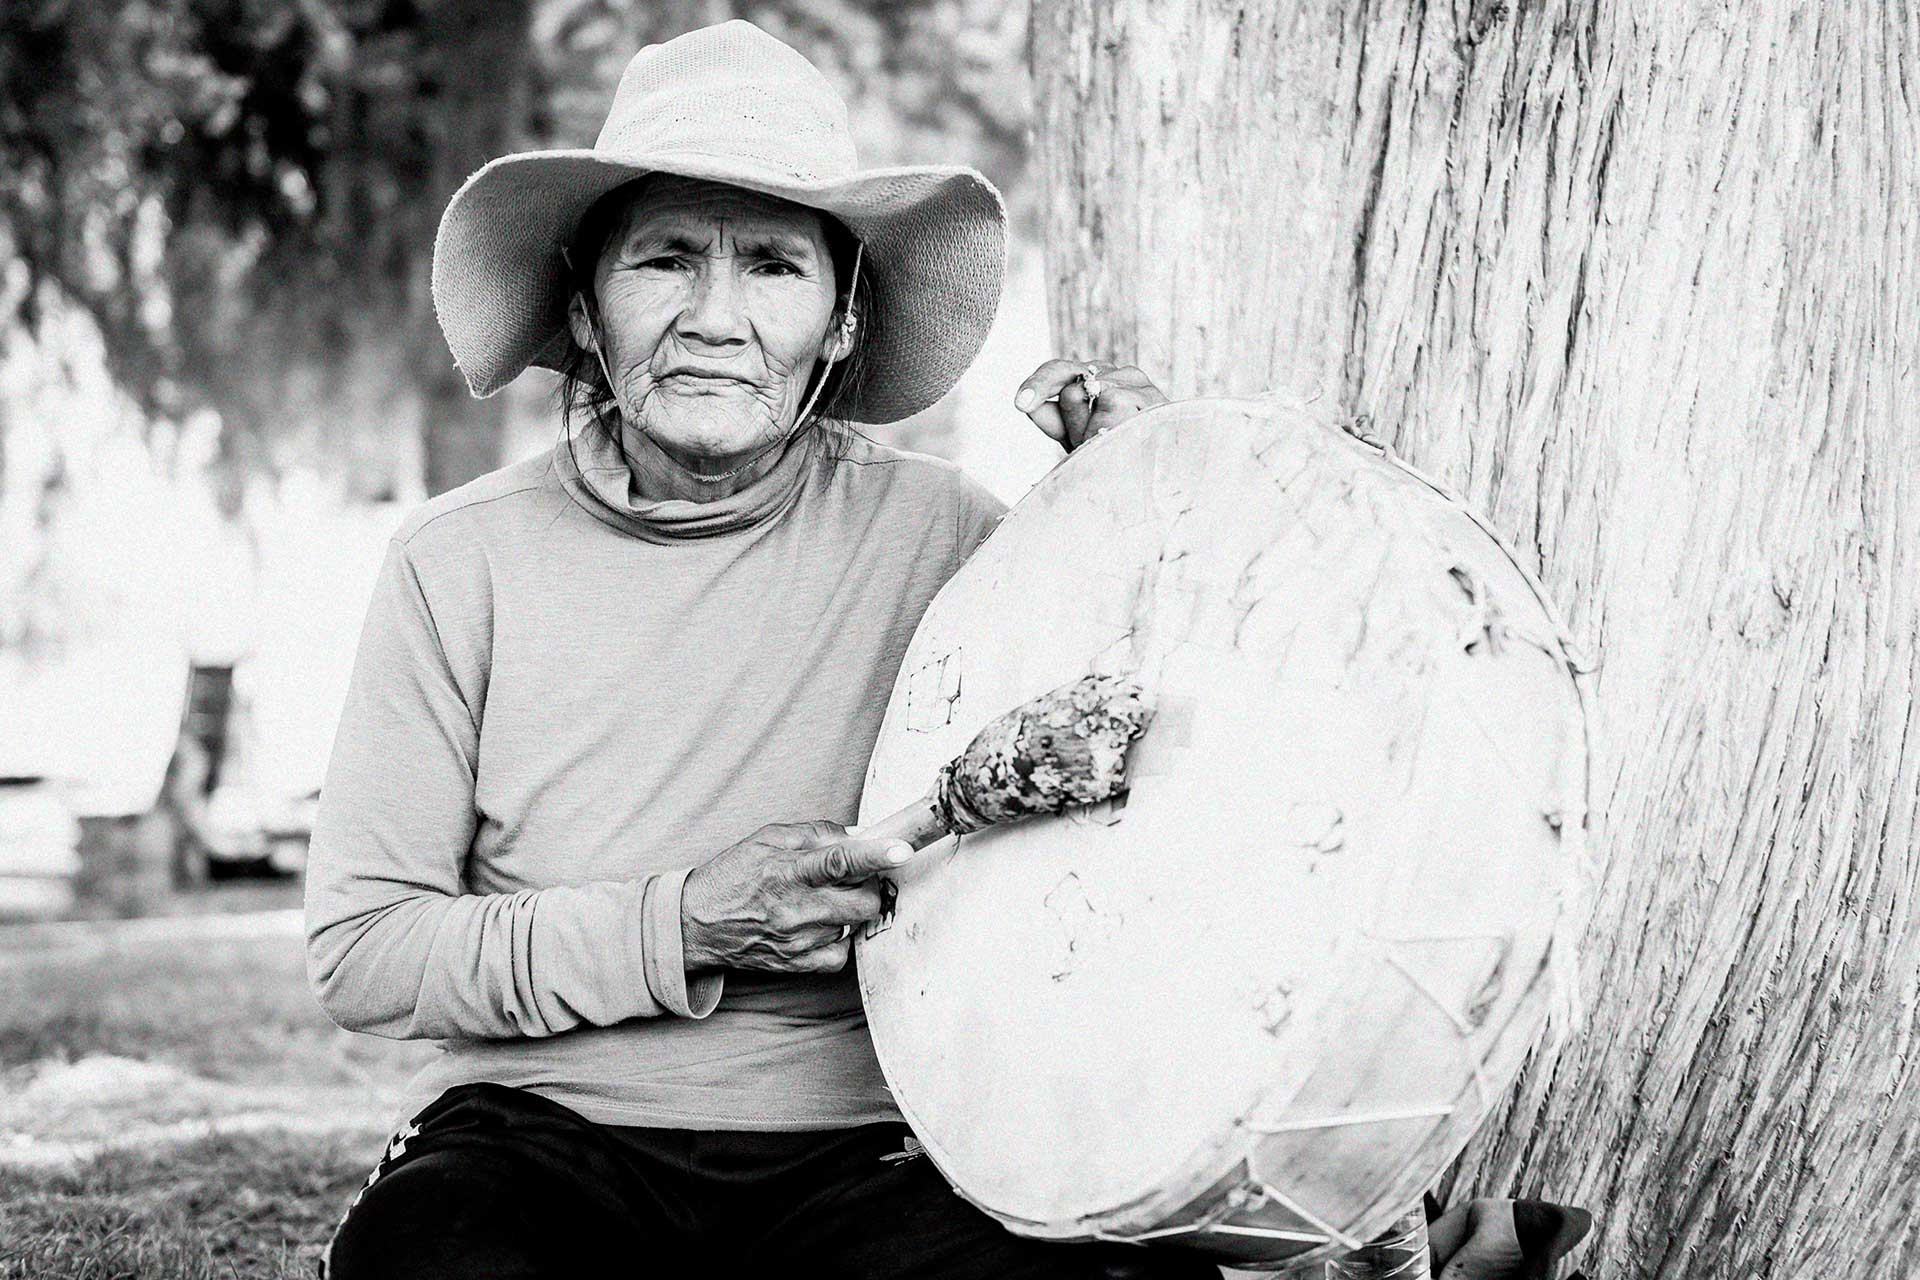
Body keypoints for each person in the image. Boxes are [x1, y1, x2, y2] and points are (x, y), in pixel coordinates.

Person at [306, 20, 1588, 1279]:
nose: (713, 314)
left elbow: (1185, 742)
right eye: (663, 260)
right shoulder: (458, 560)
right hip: (540, 1137)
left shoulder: (955, 539)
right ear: (586, 308)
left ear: (844, 323)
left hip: (873, 1149)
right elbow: (366, 949)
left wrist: (1153, 508)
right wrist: (684, 923)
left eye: (770, 264)